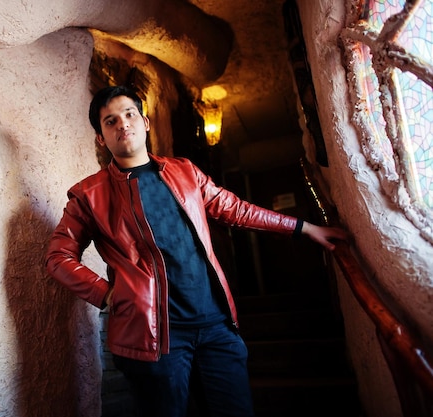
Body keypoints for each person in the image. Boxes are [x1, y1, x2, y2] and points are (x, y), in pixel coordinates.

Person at [45, 85, 348, 417]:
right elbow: (58, 257)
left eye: (129, 114)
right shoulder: (89, 196)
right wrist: (106, 295)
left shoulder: (184, 171)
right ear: (101, 138)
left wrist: (303, 228)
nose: (123, 124)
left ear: (145, 122)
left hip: (216, 326)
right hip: (155, 339)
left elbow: (237, 209)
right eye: (110, 121)